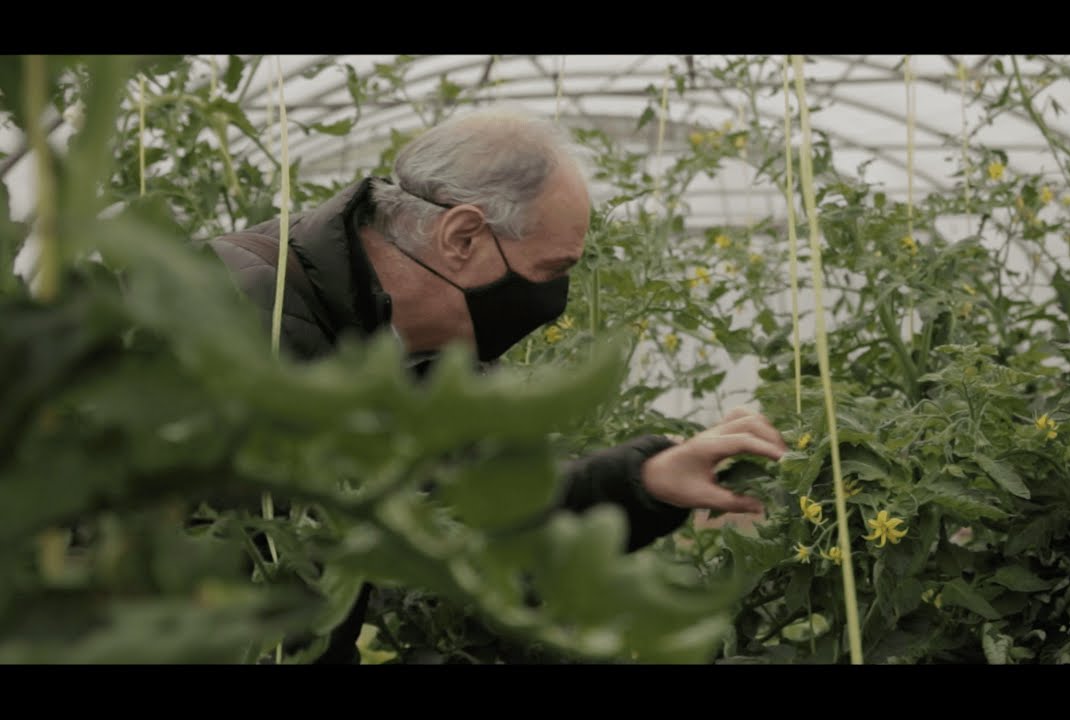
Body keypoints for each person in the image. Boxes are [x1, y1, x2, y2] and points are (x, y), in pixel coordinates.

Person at [207, 106, 787, 663]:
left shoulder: (427, 358)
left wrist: (650, 478)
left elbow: (488, 516)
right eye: (551, 272)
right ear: (461, 237)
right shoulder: (221, 312)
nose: (552, 301)